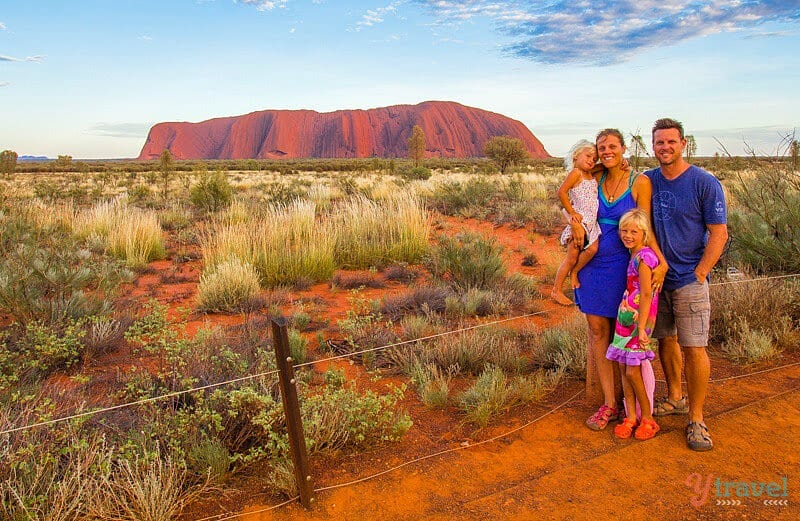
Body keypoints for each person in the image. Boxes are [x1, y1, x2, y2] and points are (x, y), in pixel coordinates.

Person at [575, 128, 667, 431]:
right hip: (593, 263)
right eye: (601, 147)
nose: (606, 151)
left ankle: (635, 408)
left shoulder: (640, 182)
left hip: (624, 267)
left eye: (612, 146)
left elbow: (646, 226)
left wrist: (660, 262)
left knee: (622, 333)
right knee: (598, 330)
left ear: (624, 148)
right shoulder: (595, 178)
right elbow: (575, 196)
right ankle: (609, 404)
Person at [645, 118, 728, 451]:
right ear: (653, 147)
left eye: (671, 142)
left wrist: (700, 272)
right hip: (657, 280)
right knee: (665, 340)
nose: (665, 147)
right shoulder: (648, 181)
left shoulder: (704, 183)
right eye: (659, 143)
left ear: (683, 144)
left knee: (694, 347)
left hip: (689, 278)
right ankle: (675, 397)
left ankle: (696, 417)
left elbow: (719, 232)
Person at [605, 208, 660, 440]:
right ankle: (631, 416)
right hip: (626, 317)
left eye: (633, 232)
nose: (627, 235)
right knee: (623, 367)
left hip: (639, 320)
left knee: (632, 370)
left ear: (644, 233)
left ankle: (647, 417)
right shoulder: (634, 255)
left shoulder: (645, 257)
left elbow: (647, 294)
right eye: (624, 231)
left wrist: (641, 328)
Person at [551, 140, 601, 306]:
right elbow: (562, 192)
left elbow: (603, 167)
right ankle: (556, 290)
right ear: (576, 155)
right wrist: (572, 213)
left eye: (594, 159)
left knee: (593, 248)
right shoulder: (577, 173)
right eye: (588, 156)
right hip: (580, 221)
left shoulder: (590, 174)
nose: (591, 160)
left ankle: (575, 273)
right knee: (571, 259)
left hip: (591, 223)